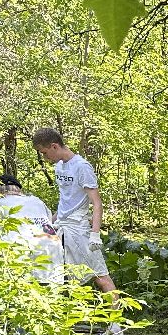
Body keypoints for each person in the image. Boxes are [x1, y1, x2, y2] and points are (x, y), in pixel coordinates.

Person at [31, 128, 119, 303]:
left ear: (54, 146)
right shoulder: (59, 166)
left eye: (45, 153)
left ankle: (115, 326)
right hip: (61, 226)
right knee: (55, 274)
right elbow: (66, 201)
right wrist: (48, 222)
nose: (45, 158)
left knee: (99, 276)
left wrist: (95, 233)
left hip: (80, 228)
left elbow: (97, 202)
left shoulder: (82, 167)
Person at [0, 174, 62, 285]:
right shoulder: (36, 201)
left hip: (19, 247)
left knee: (17, 288)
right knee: (49, 289)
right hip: (50, 244)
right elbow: (49, 220)